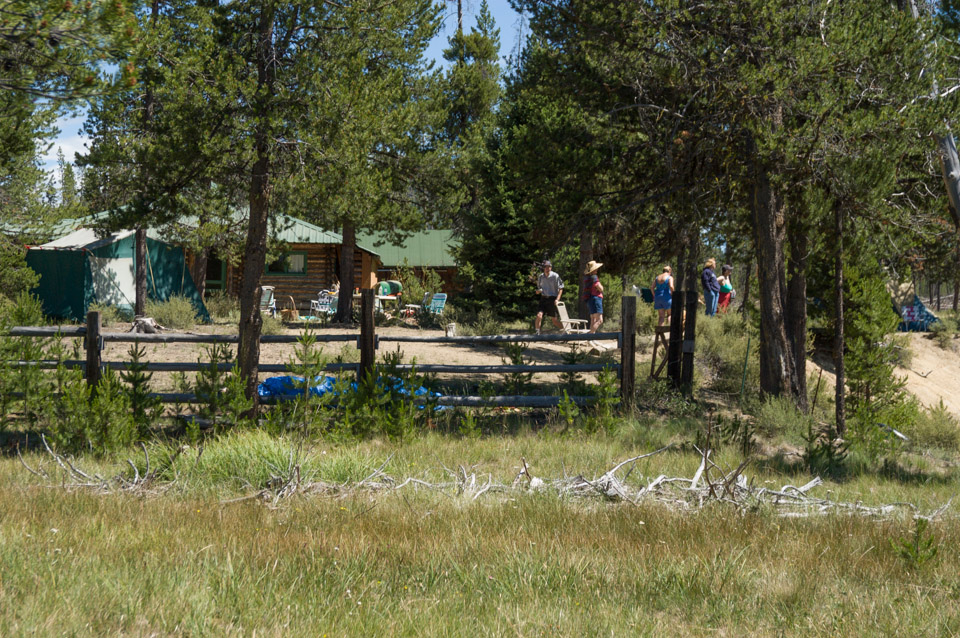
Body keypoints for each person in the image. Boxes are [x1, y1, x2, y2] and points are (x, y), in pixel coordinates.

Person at [534, 260, 565, 335]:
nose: (548, 268)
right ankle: (537, 333)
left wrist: (557, 299)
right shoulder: (541, 277)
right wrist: (538, 291)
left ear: (551, 267)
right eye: (546, 267)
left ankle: (566, 331)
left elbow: (561, 288)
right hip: (543, 298)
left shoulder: (555, 276)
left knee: (554, 321)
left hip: (552, 299)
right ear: (543, 268)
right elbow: (540, 288)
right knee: (539, 316)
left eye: (549, 267)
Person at [582, 260, 604, 333]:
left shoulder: (587, 278)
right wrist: (602, 288)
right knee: (599, 320)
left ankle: (591, 338)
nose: (597, 270)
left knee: (593, 320)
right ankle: (590, 336)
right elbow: (600, 288)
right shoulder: (594, 277)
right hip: (596, 299)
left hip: (590, 299)